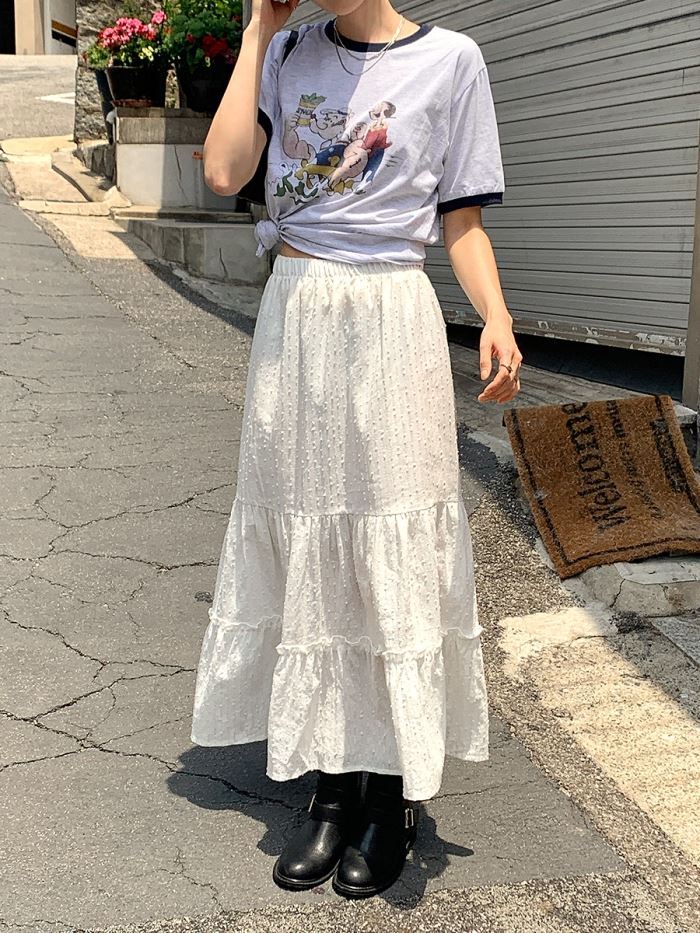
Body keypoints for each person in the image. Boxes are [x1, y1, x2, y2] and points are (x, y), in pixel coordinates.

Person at [190, 0, 523, 900]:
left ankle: (389, 794)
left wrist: (495, 316)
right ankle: (333, 785)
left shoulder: (452, 61)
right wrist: (257, 33)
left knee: (391, 543)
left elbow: (462, 222)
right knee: (313, 540)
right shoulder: (287, 51)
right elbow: (223, 171)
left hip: (391, 315)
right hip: (297, 313)